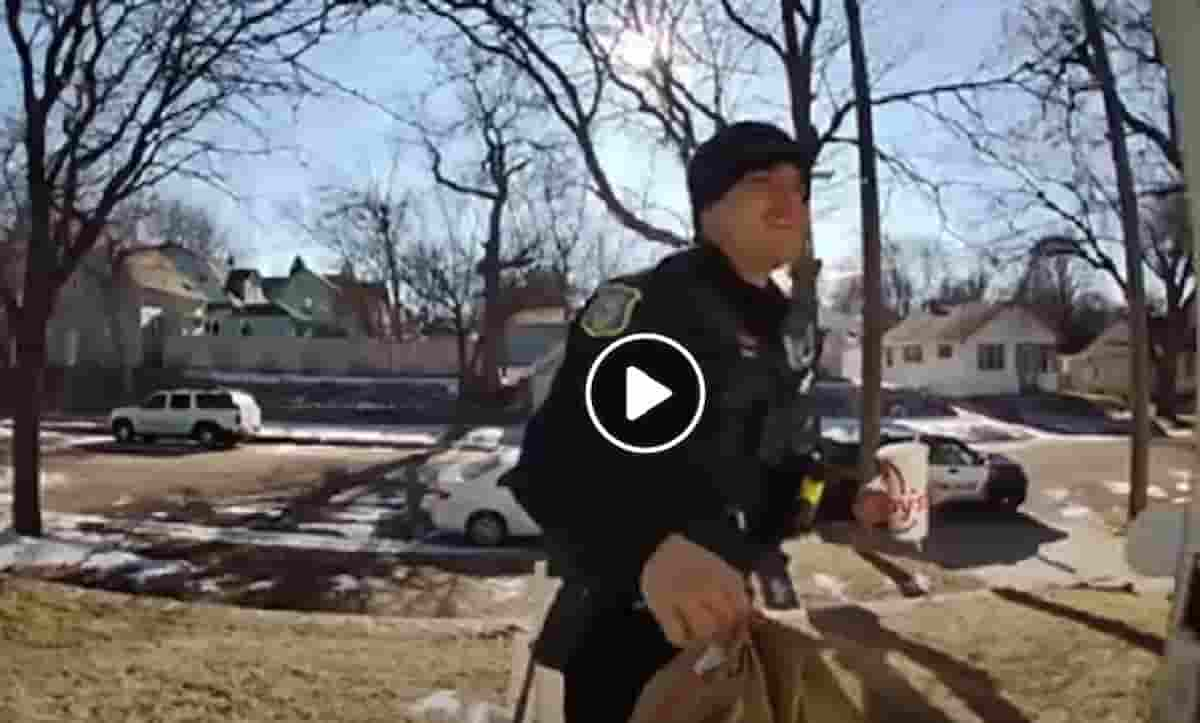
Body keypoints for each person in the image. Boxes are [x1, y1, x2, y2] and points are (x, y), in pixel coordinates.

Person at [501, 120, 825, 723]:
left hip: (726, 642)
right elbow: (556, 464)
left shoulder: (788, 333)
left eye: (800, 188)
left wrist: (850, 493)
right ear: (710, 207)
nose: (790, 202)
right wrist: (644, 548)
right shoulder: (657, 310)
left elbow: (786, 473)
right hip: (622, 644)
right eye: (762, 182)